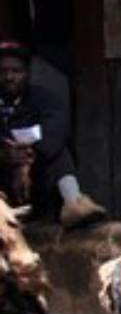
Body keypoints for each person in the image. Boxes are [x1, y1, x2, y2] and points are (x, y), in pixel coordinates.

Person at [0, 41, 107, 229]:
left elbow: (54, 134)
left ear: (27, 74)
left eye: (16, 72)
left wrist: (26, 160)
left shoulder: (45, 99)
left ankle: (74, 203)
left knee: (60, 153)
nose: (9, 77)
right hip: (5, 180)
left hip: (37, 177)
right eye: (3, 72)